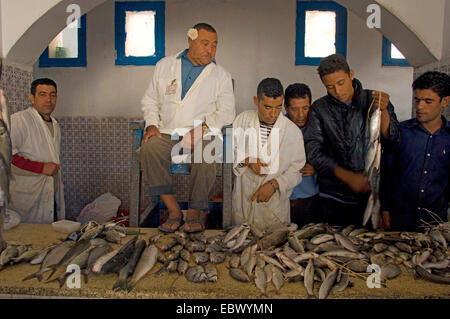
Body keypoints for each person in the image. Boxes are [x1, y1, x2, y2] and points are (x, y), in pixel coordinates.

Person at [139, 23, 235, 233]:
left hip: (204, 133)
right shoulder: (165, 65)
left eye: (215, 45)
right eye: (205, 43)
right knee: (148, 149)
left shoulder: (221, 75)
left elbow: (227, 112)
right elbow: (150, 100)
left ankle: (194, 211)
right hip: (168, 132)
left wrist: (201, 129)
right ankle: (174, 211)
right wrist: (152, 124)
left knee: (210, 151)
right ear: (190, 40)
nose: (210, 49)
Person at [304, 54, 399, 228]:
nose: (337, 91)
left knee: (369, 248)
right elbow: (314, 152)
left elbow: (393, 141)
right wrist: (348, 177)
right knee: (333, 248)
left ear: (351, 74)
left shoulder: (374, 100)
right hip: (333, 197)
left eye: (341, 83)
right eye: (330, 87)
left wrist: (383, 111)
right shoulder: (319, 109)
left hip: (371, 195)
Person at [231, 78, 306, 230]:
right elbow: (231, 151)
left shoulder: (293, 132)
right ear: (256, 101)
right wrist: (248, 160)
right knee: (241, 244)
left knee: (273, 248)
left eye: (278, 107)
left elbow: (296, 172)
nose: (273, 114)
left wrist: (274, 184)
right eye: (267, 107)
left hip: (274, 208)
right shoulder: (242, 120)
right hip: (244, 200)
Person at [380, 71, 450, 231]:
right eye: (417, 100)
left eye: (428, 101)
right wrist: (384, 208)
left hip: (435, 222)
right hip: (399, 220)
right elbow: (386, 173)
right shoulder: (401, 132)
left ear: (445, 101)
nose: (419, 106)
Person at [9, 78, 65, 224]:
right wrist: (41, 167)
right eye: (42, 94)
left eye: (53, 95)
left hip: (49, 193)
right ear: (32, 98)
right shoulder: (19, 120)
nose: (48, 100)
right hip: (27, 196)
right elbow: (5, 156)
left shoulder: (55, 124)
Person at [284, 83, 319, 227]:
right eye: (294, 109)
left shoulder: (318, 128)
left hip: (311, 199)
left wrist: (317, 167)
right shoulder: (278, 129)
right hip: (283, 200)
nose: (300, 115)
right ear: (286, 108)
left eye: (305, 108)